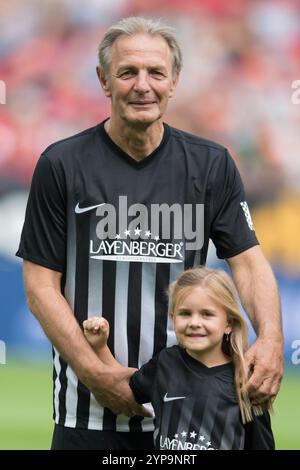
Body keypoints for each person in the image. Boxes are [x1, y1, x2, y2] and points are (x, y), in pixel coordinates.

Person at [16, 16, 283, 450]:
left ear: (174, 81)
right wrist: (94, 372)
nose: (143, 85)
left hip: (191, 419)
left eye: (156, 72)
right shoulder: (61, 165)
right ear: (104, 80)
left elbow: (249, 262)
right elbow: (40, 286)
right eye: (128, 72)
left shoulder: (210, 165)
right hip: (85, 415)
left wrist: (271, 338)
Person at [83, 267, 275, 450]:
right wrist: (100, 346)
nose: (194, 323)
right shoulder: (166, 363)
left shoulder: (245, 381)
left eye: (207, 314)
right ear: (173, 318)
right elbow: (123, 388)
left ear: (229, 324)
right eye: (185, 313)